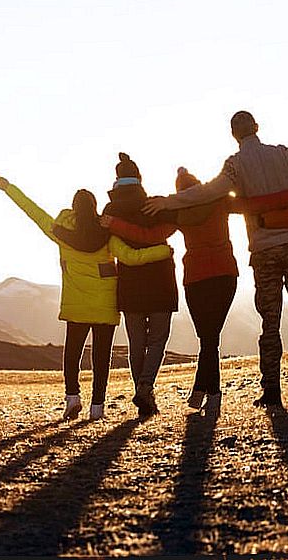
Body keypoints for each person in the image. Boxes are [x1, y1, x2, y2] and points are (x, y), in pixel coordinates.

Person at [142, 110, 288, 408]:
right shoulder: (283, 155)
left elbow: (205, 194)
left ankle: (272, 391)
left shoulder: (234, 166)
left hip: (264, 252)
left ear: (234, 134)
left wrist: (169, 201)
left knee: (270, 322)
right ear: (257, 127)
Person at [0, 173, 173, 421]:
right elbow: (132, 257)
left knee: (73, 353)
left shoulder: (59, 231)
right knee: (101, 358)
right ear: (95, 208)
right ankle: (97, 408)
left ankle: (72, 398)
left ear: (74, 209)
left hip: (76, 305)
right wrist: (162, 251)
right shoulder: (107, 234)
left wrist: (9, 188)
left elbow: (33, 211)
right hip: (105, 305)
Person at [103, 166, 241, 414]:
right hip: (211, 275)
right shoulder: (212, 203)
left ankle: (165, 390)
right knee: (196, 340)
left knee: (141, 342)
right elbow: (244, 202)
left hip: (190, 278)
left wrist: (115, 225)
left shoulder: (175, 211)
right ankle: (199, 393)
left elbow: (146, 236)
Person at [100, 153, 179, 419]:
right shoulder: (155, 206)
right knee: (157, 339)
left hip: (130, 286)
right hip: (160, 283)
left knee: (137, 341)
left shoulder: (110, 212)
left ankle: (141, 388)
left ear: (117, 181)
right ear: (139, 179)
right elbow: (171, 226)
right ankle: (146, 387)